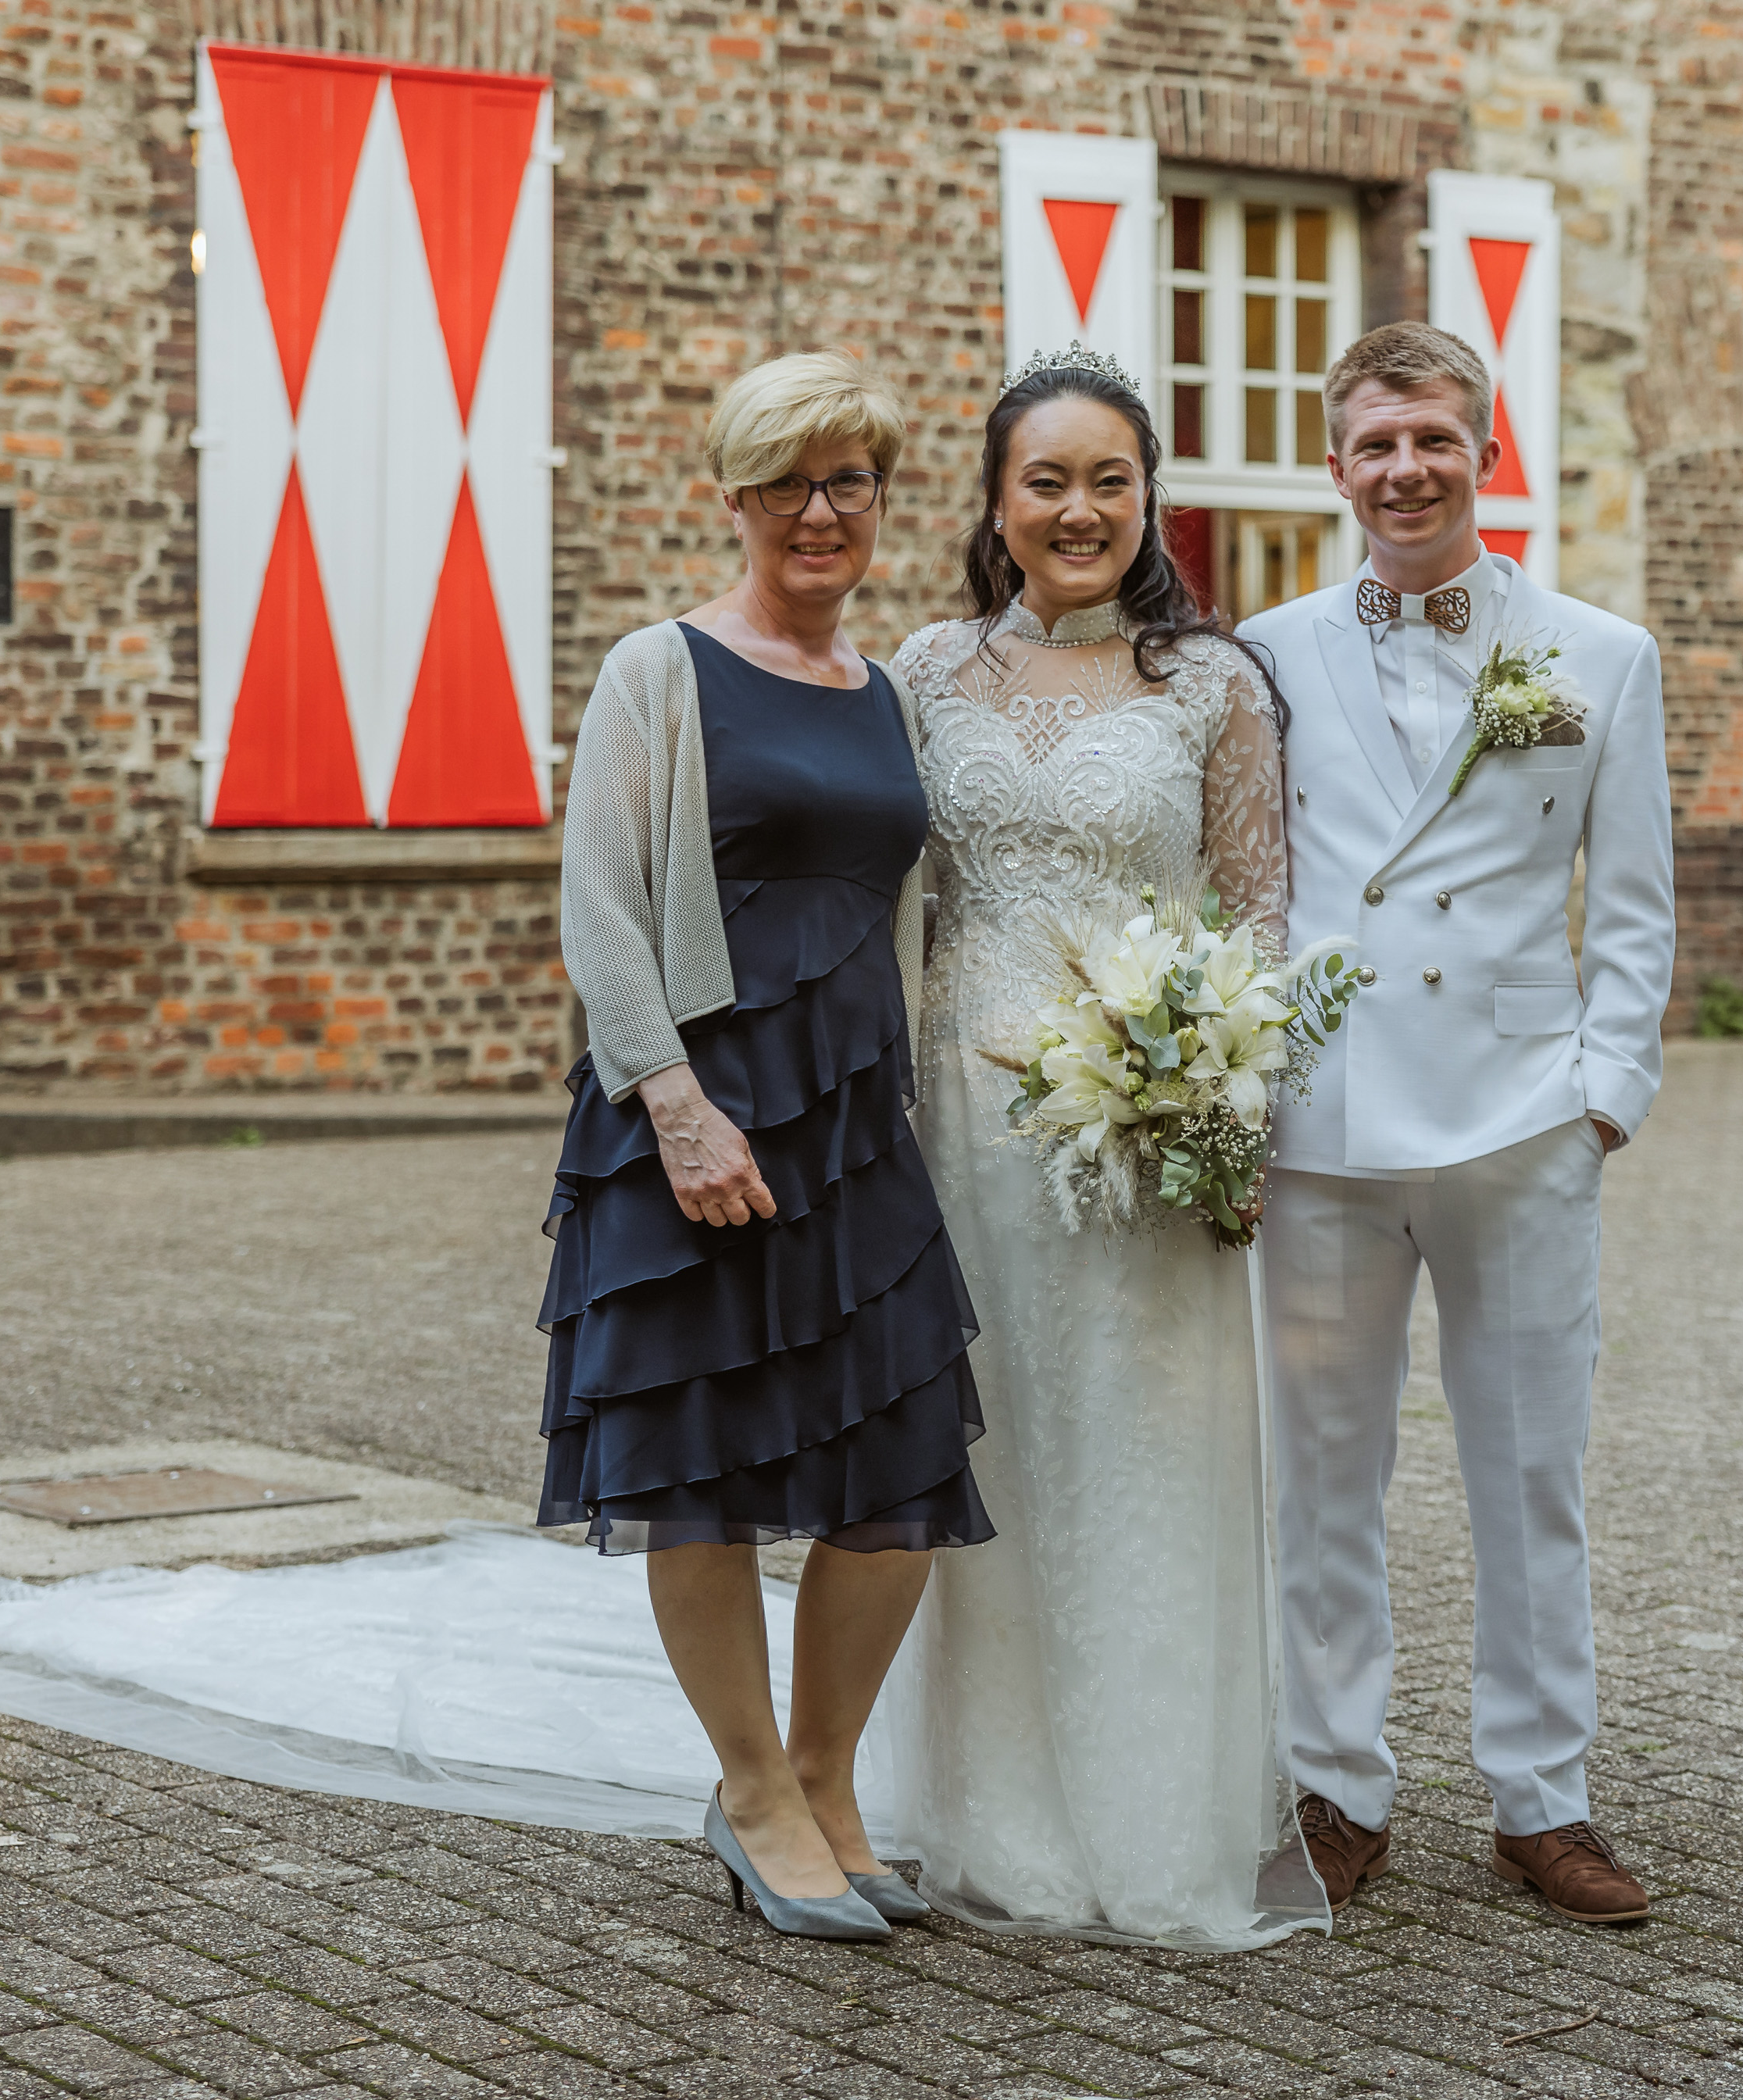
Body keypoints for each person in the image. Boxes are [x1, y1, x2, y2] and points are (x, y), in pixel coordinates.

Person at [541, 352, 993, 1943]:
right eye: (786, 483)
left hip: (858, 1122)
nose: (820, 511)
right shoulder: (658, 670)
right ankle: (749, 1793)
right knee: (702, 1465)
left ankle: (825, 1777)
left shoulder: (890, 691)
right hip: (695, 1111)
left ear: (880, 498)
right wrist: (674, 1107)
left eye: (847, 481)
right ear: (732, 498)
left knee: (902, 1458)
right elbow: (602, 907)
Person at [883, 345, 1328, 1948]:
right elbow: (880, 893)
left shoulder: (1212, 685)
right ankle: (990, 1812)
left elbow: (1259, 918)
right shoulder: (926, 673)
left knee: (1139, 1459)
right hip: (960, 1139)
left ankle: (1152, 1816)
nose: (1079, 509)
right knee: (986, 1451)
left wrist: (1226, 1111)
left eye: (1110, 480)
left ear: (1150, 500)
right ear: (997, 504)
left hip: (1146, 1135)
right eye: (1047, 481)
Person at [1241, 323, 1675, 1927]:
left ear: (1485, 454)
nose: (1406, 469)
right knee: (1321, 1478)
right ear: (1335, 466)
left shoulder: (1598, 654)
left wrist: (1603, 1099)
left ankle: (1542, 1800)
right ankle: (1337, 1785)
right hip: (1326, 1122)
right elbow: (1245, 880)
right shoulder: (1263, 654)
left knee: (1530, 1471)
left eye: (1433, 440)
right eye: (1376, 443)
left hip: (1520, 1120)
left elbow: (1632, 903)